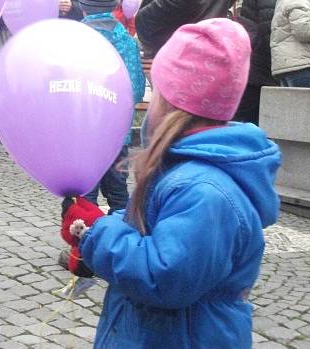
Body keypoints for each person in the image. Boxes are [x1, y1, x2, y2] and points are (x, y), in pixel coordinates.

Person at [61, 18, 280, 348]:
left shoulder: (204, 191)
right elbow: (157, 233)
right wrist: (101, 231)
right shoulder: (184, 171)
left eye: (157, 88)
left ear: (173, 103)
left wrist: (98, 235)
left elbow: (164, 276)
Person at [78, 0, 145, 212]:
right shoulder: (126, 41)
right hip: (117, 135)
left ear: (82, 3)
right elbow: (136, 90)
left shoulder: (72, 39)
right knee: (118, 192)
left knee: (84, 194)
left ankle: (82, 245)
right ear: (115, 2)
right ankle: (124, 239)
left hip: (81, 133)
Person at [234, 0, 283, 124]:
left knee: (245, 115)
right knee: (249, 117)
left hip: (253, 63)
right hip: (260, 65)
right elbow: (269, 29)